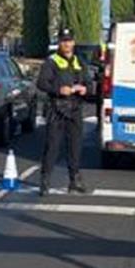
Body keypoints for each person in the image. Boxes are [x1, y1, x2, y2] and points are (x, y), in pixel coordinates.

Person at [36, 27, 92, 195]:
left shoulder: (79, 62)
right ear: (59, 43)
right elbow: (42, 83)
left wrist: (85, 89)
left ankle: (74, 180)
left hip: (75, 108)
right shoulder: (51, 61)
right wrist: (59, 89)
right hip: (57, 108)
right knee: (52, 146)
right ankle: (45, 181)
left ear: (73, 42)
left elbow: (89, 83)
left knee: (75, 147)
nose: (66, 44)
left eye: (69, 41)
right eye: (63, 41)